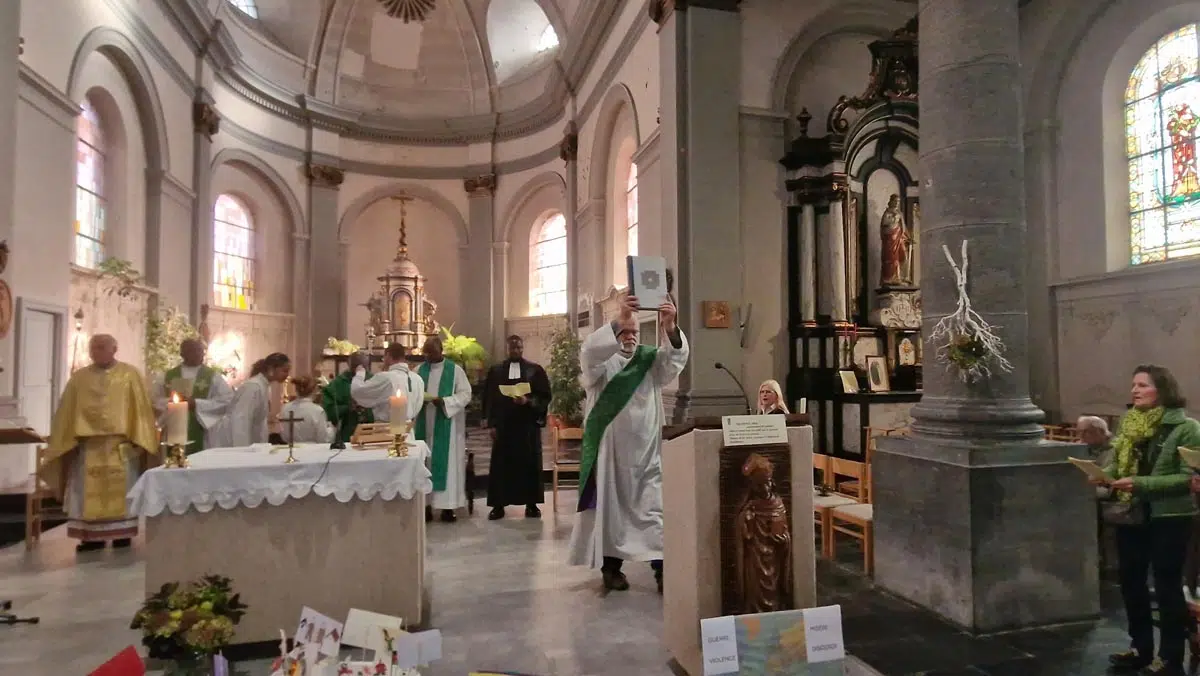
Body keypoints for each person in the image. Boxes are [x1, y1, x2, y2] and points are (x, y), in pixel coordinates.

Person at [567, 292, 689, 593]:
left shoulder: (650, 360)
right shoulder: (601, 365)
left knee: (653, 512)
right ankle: (611, 570)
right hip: (611, 456)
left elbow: (674, 361)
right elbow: (588, 353)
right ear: (614, 332)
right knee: (612, 514)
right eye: (624, 330)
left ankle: (662, 571)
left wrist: (670, 327)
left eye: (634, 331)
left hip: (647, 454)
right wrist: (618, 320)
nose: (630, 336)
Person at [1089, 365, 1200, 676]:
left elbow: (1188, 479)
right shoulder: (1130, 423)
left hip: (1170, 516)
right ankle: (1140, 648)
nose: (1134, 390)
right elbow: (1118, 465)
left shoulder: (1187, 427)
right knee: (1131, 583)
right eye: (1133, 385)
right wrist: (1102, 475)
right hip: (1132, 513)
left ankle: (1169, 658)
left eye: (1142, 385)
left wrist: (1140, 484)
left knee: (1166, 587)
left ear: (1162, 390)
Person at [43, 334, 158, 552]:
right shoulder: (79, 378)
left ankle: (122, 534)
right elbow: (66, 412)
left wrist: (140, 439)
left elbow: (141, 410)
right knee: (85, 491)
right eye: (93, 347)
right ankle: (91, 538)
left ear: (114, 349)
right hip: (89, 446)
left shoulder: (129, 375)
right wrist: (68, 439)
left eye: (102, 347)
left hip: (120, 445)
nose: (96, 351)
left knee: (123, 489)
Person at [482, 335, 552, 520]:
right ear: (507, 349)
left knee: (529, 465)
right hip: (504, 426)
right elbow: (488, 398)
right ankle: (498, 505)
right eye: (513, 348)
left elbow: (545, 396)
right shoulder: (496, 371)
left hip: (526, 426)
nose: (516, 351)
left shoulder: (534, 370)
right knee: (501, 466)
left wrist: (527, 401)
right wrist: (490, 423)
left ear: (522, 348)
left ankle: (531, 504)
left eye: (519, 348)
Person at [415, 337, 472, 523]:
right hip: (424, 424)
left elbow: (465, 394)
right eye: (427, 354)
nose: (429, 357)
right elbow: (411, 392)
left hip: (448, 425)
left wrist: (445, 402)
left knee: (448, 465)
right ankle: (425, 506)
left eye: (432, 353)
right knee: (425, 463)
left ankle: (448, 507)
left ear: (441, 351)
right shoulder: (419, 371)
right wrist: (419, 400)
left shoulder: (455, 371)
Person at [150, 339, 233, 453]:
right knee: (174, 459)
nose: (199, 354)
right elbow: (154, 401)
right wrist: (172, 402)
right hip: (173, 429)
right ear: (182, 353)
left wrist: (197, 404)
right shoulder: (167, 376)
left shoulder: (213, 377)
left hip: (202, 433)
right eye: (193, 350)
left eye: (201, 351)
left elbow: (227, 400)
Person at [207, 353, 292, 447]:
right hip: (235, 443)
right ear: (271, 369)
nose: (287, 375)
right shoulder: (253, 387)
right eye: (284, 371)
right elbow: (240, 419)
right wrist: (243, 450)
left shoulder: (263, 386)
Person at [349, 344, 424, 427]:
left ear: (388, 355)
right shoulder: (418, 379)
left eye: (384, 358)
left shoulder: (386, 377)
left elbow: (357, 391)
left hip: (386, 429)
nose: (383, 361)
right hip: (408, 429)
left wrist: (360, 373)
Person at [322, 354, 374, 443]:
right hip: (347, 432)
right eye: (356, 365)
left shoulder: (374, 380)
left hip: (372, 430)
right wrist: (347, 407)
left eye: (363, 366)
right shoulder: (337, 384)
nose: (359, 369)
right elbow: (328, 411)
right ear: (349, 364)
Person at [279, 376, 333, 444]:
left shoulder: (285, 408)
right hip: (312, 449)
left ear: (296, 390)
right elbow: (323, 439)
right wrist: (332, 429)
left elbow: (283, 435)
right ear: (314, 391)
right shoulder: (317, 411)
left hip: (291, 447)